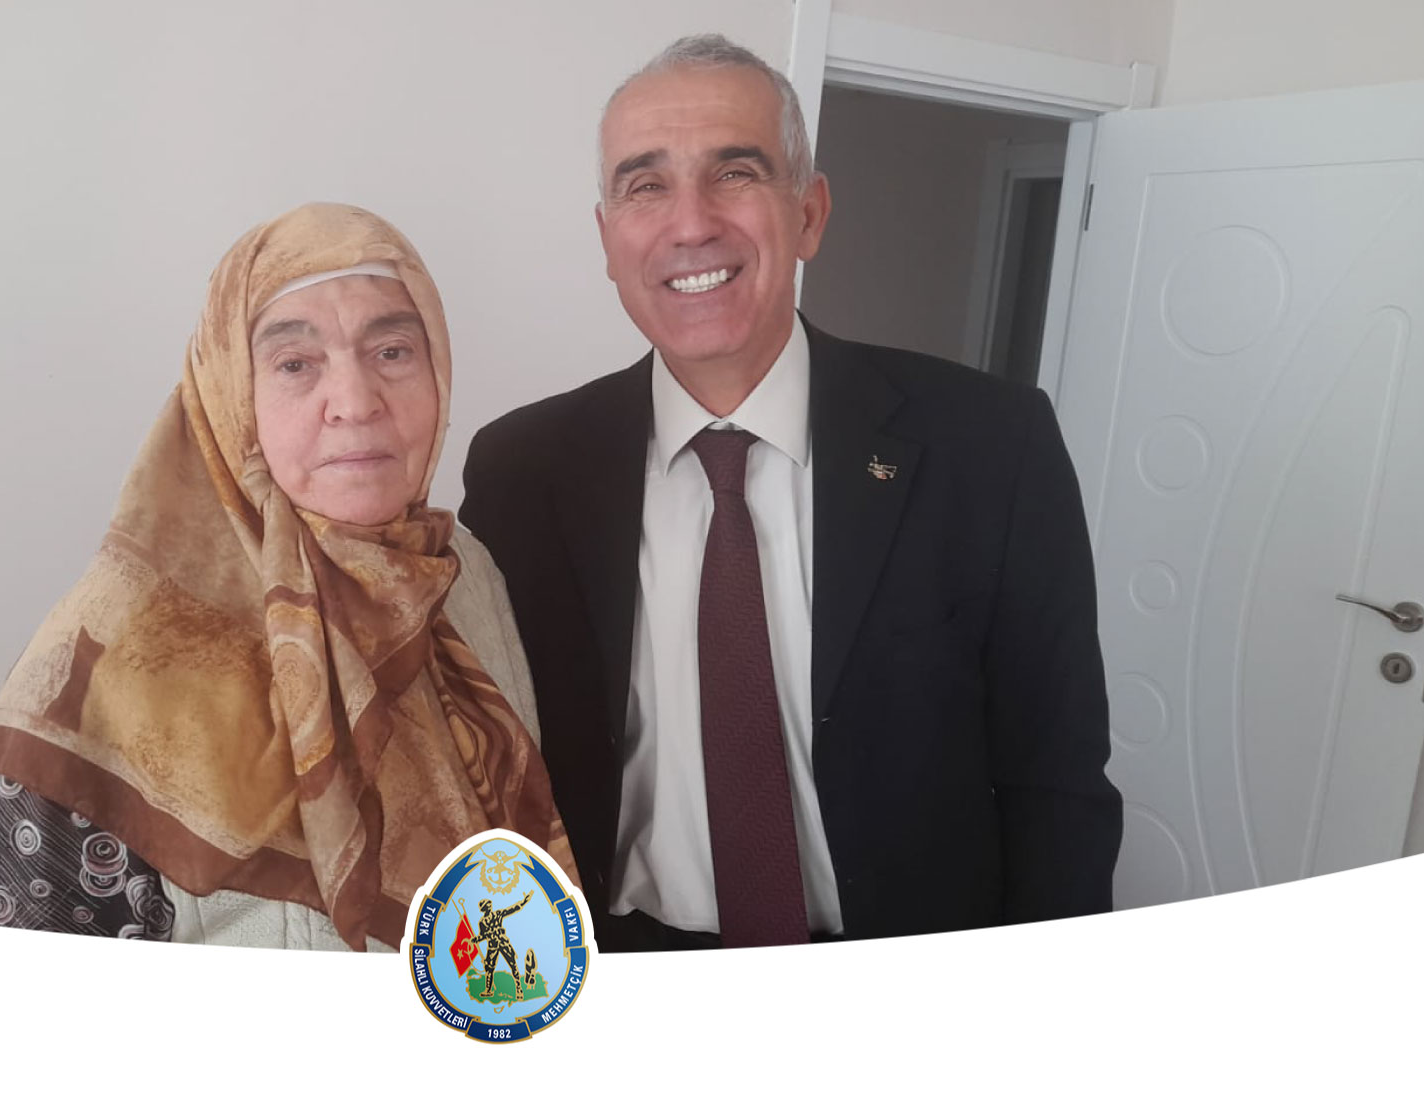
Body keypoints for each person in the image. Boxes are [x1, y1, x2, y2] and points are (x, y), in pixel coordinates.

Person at [459, 35, 1122, 951]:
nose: (690, 224)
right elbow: (484, 755)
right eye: (645, 186)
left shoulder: (990, 445)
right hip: (623, 959)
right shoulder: (522, 471)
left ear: (808, 214)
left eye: (735, 172)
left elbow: (1058, 781)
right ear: (608, 238)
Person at [0, 202, 577, 951]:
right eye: (295, 364)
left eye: (392, 351)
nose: (355, 403)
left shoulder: (468, 579)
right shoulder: (111, 652)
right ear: (230, 396)